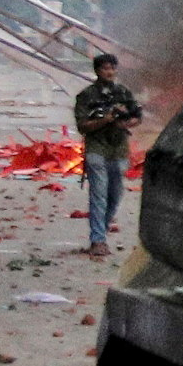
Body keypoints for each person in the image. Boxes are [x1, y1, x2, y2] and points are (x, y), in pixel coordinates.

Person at [71, 54, 140, 257]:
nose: (109, 72)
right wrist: (106, 120)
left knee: (115, 195)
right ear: (97, 71)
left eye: (112, 68)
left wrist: (124, 122)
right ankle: (98, 239)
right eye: (105, 68)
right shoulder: (87, 96)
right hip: (97, 148)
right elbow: (82, 126)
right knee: (98, 196)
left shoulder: (123, 92)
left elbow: (137, 116)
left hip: (118, 149)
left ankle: (101, 230)